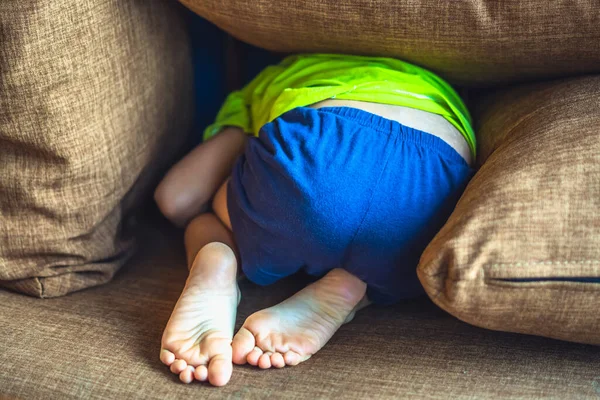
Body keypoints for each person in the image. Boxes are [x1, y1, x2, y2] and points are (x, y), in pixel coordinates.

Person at [154, 54, 476, 386]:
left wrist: (236, 137)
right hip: (434, 179)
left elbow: (176, 199)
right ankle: (356, 288)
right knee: (412, 255)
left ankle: (215, 257)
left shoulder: (279, 76)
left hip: (324, 147)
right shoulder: (439, 85)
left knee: (203, 216)